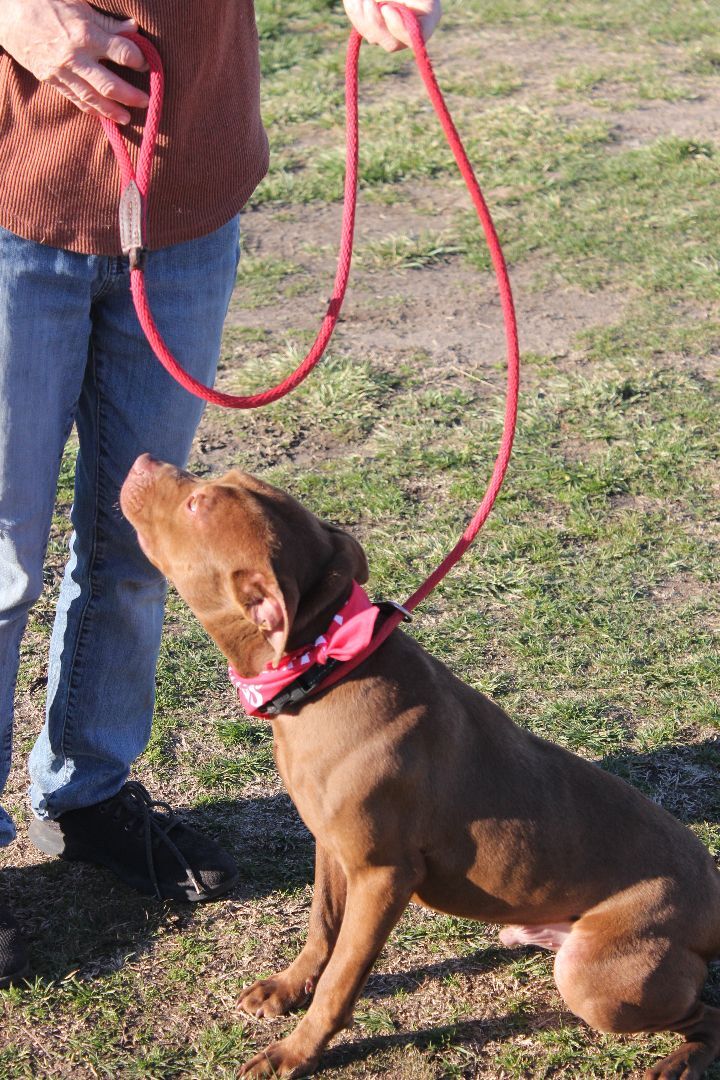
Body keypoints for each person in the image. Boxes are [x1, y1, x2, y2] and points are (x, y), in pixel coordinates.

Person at [0, 0, 442, 987]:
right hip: (12, 203)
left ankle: (89, 788)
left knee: (141, 555)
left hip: (185, 199)